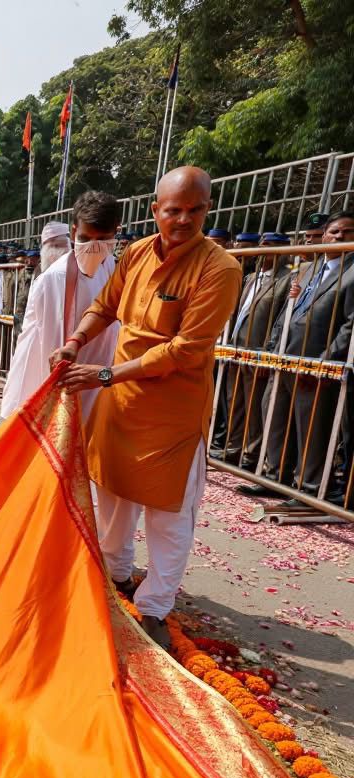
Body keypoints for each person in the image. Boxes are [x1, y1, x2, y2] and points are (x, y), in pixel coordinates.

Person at [54, 166, 242, 649]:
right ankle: (115, 575)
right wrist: (75, 341)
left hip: (171, 413)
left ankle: (156, 606)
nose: (182, 220)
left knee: (168, 515)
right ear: (155, 210)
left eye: (194, 210)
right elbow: (108, 307)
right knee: (112, 496)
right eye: (173, 210)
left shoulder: (219, 269)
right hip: (121, 400)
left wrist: (102, 375)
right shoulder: (136, 253)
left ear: (207, 210)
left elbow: (185, 350)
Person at [242, 212, 354, 504]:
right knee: (275, 416)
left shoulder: (352, 271)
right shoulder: (310, 268)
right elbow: (289, 312)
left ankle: (308, 488)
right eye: (333, 232)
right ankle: (273, 477)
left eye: (346, 232)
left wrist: (323, 363)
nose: (338, 237)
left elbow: (349, 325)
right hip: (284, 357)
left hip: (317, 364)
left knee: (312, 428)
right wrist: (271, 349)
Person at [2, 191, 122, 420]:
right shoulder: (55, 279)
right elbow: (52, 347)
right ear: (75, 232)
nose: (94, 247)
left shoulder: (110, 264)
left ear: (115, 234)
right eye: (86, 239)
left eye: (102, 239)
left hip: (97, 375)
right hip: (63, 384)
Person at [215, 232, 293, 470]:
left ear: (282, 251)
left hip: (258, 352)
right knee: (234, 402)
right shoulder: (250, 277)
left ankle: (251, 454)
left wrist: (266, 354)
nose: (263, 250)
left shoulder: (286, 279)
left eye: (270, 246)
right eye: (262, 245)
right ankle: (234, 448)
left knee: (254, 407)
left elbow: (280, 320)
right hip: (235, 349)